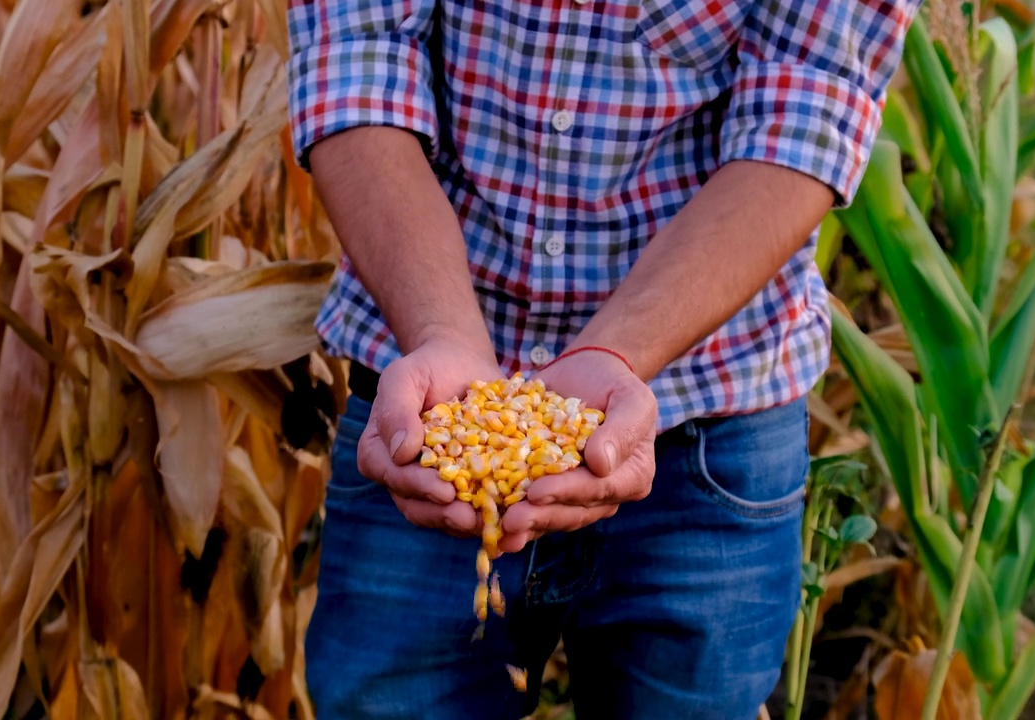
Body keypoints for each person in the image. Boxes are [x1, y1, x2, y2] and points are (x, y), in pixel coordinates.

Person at [287, 0, 915, 717]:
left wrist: (619, 350)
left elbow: (803, 114)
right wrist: (443, 332)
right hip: (428, 413)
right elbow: (359, 59)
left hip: (711, 421)